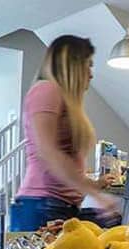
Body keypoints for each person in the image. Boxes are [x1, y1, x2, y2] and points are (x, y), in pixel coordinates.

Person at [12, 35, 116, 231]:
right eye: (88, 65)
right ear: (72, 65)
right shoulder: (46, 90)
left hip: (59, 207)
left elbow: (66, 165)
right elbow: (48, 153)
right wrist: (95, 195)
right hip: (42, 206)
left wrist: (94, 185)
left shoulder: (60, 97)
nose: (91, 74)